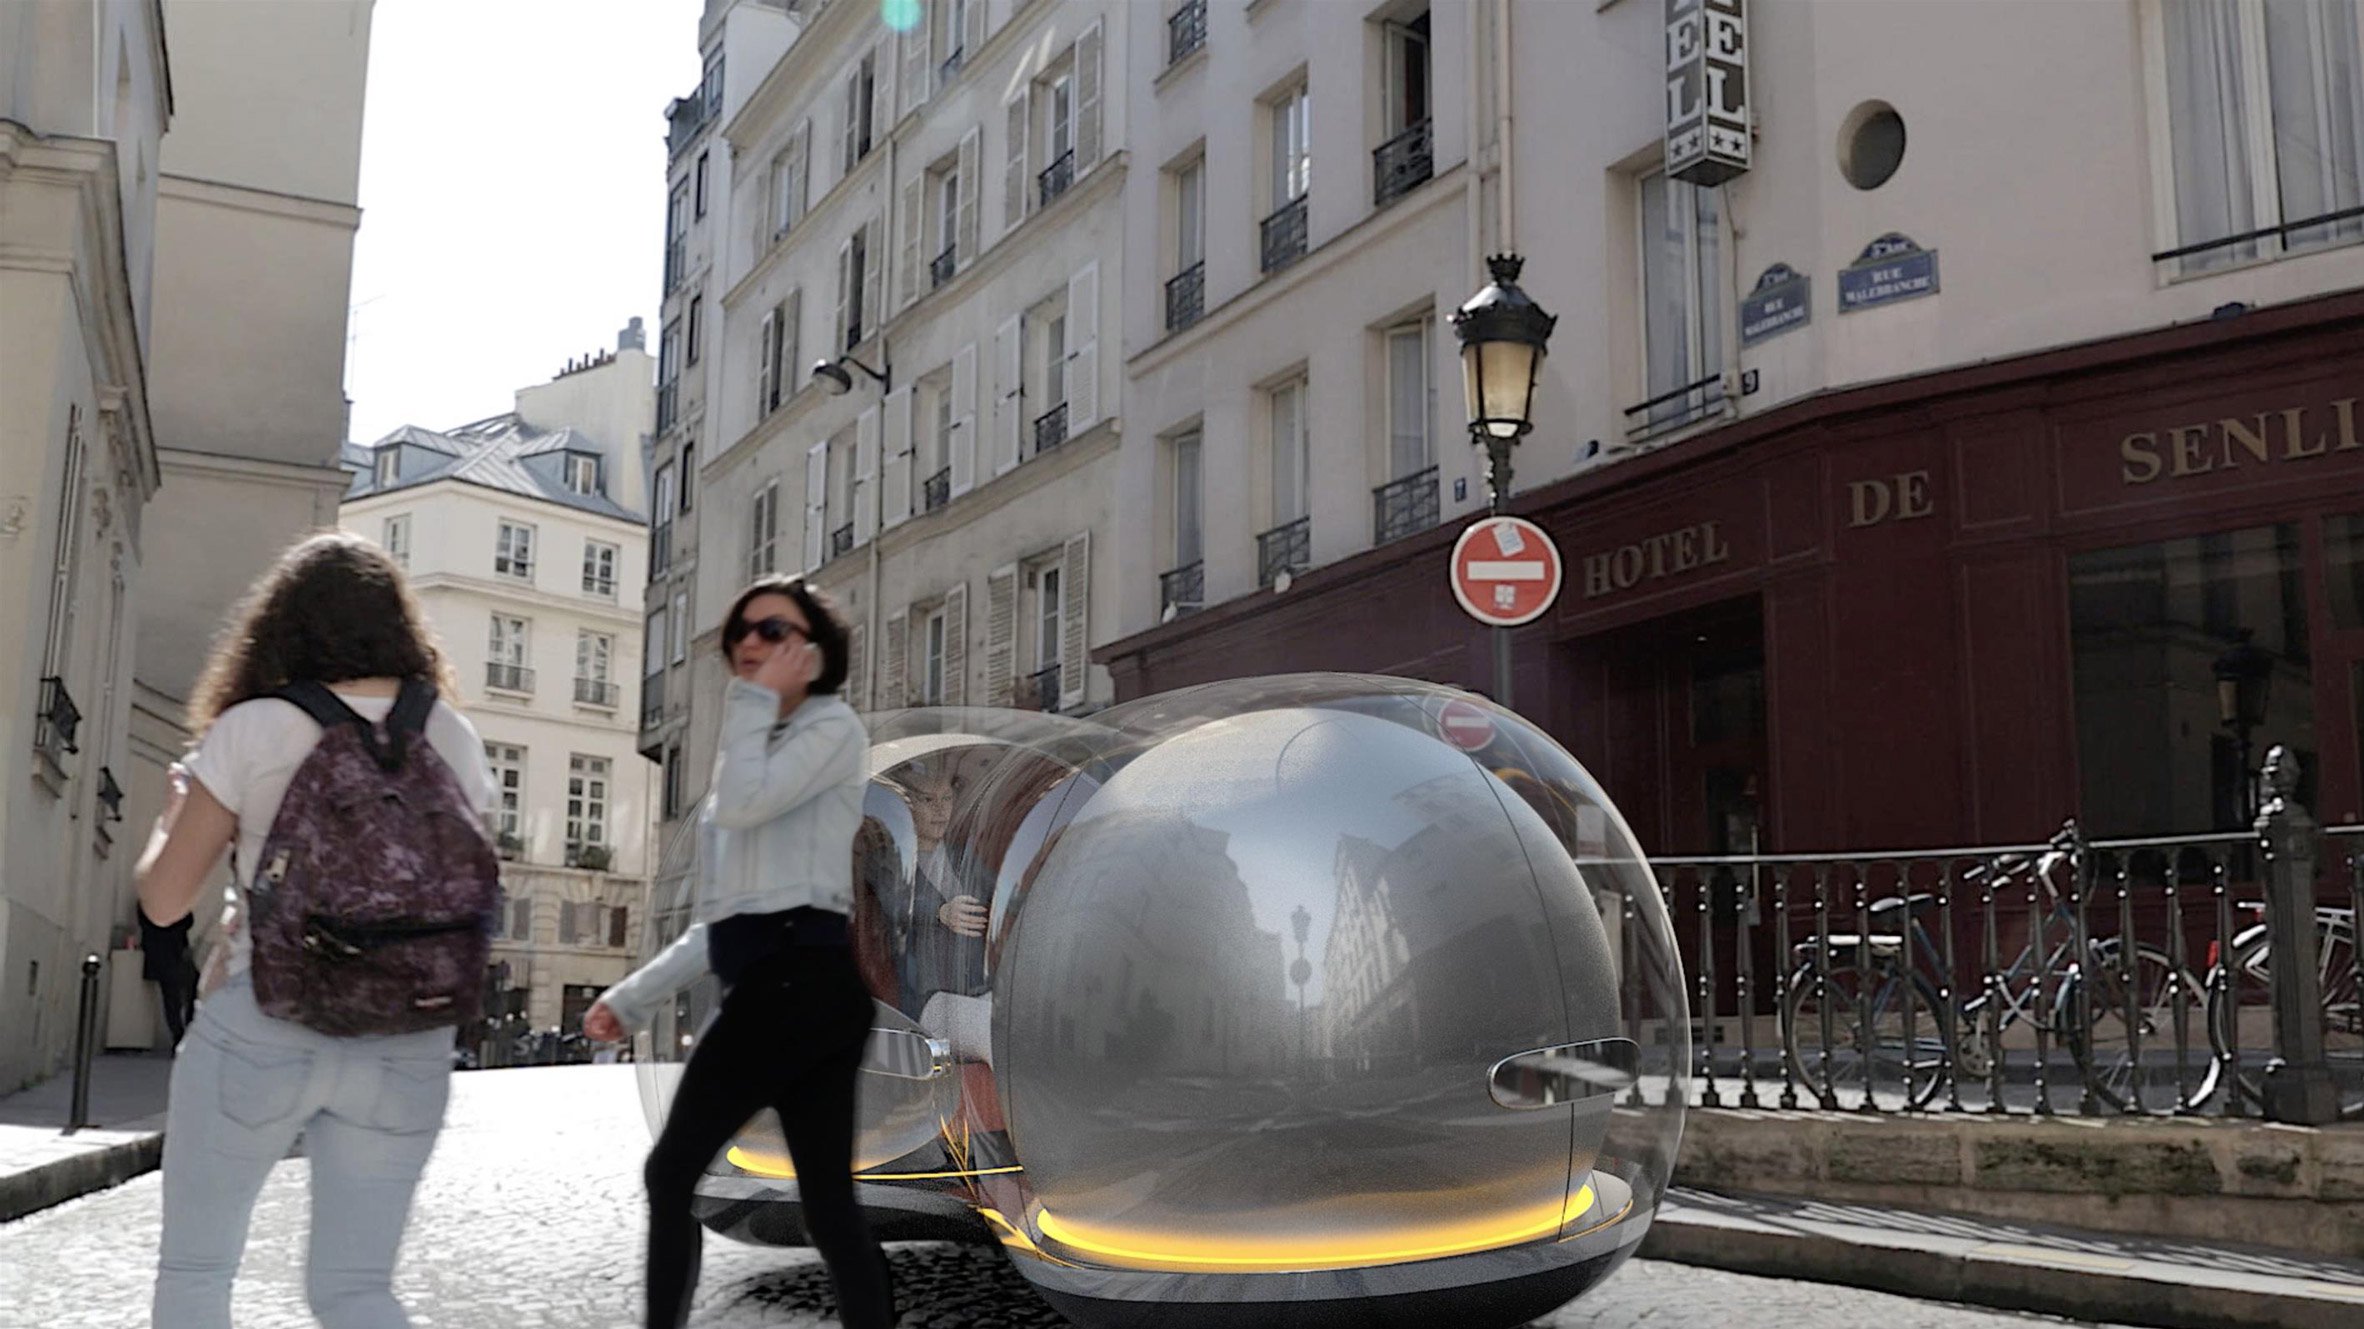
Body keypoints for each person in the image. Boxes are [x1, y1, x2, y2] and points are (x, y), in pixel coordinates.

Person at [134, 532, 495, 1329]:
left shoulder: (255, 727)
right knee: (356, 1289)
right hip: (408, 1039)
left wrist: (171, 816)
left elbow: (164, 900)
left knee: (197, 1272)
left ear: (278, 625)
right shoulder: (451, 736)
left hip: (264, 1023)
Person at [583, 574, 893, 1329]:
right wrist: (631, 999)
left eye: (774, 630)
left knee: (672, 1173)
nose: (751, 642)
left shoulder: (830, 729)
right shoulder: (754, 753)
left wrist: (750, 705)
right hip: (787, 986)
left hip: (793, 986)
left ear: (814, 653)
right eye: (741, 633)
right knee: (827, 1205)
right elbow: (721, 921)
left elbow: (752, 807)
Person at [139, 905, 198, 1051]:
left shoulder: (148, 904)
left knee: (172, 1000)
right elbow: (188, 921)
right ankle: (184, 1035)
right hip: (175, 952)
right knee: (185, 995)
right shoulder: (174, 905)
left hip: (162, 954)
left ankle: (180, 1035)